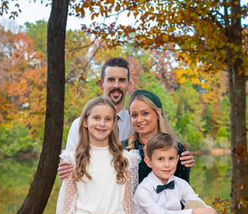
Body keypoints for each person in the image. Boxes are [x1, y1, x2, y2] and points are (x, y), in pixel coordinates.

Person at [58, 58, 195, 178]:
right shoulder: (82, 124)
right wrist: (66, 169)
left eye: (122, 80)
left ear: (129, 85)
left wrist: (181, 160)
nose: (116, 85)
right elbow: (69, 167)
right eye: (111, 80)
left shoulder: (137, 124)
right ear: (101, 84)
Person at [53, 97, 139, 214]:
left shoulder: (126, 159)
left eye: (108, 119)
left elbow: (128, 204)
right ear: (85, 121)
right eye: (96, 118)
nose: (102, 123)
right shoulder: (73, 159)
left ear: (114, 123)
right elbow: (66, 207)